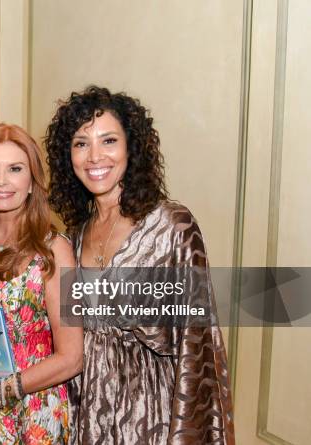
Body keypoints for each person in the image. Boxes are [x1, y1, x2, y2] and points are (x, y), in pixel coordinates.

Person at [45, 86, 235, 444]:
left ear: (131, 148)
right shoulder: (76, 236)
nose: (95, 156)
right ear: (66, 156)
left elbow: (198, 350)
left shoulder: (171, 228)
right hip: (91, 415)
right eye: (81, 143)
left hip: (153, 417)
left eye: (109, 141)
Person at [0, 123, 82, 444]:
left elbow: (72, 357)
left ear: (31, 182)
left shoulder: (55, 249)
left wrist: (0, 390)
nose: (1, 181)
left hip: (35, 413)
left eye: (14, 168)